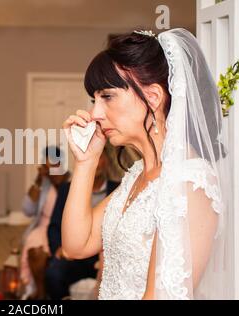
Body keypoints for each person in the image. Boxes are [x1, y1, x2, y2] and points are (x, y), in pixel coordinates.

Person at [62, 29, 233, 299]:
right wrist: (85, 162)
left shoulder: (189, 182)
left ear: (153, 97)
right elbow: (76, 246)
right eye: (94, 100)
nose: (95, 113)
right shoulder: (138, 174)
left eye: (107, 96)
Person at [45, 150, 108, 300]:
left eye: (99, 157)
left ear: (107, 161)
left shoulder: (118, 188)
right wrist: (59, 248)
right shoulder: (67, 189)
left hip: (105, 257)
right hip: (74, 255)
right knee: (53, 274)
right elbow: (54, 225)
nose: (96, 163)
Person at [19, 146, 70, 300]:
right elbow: (27, 210)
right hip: (43, 226)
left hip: (65, 227)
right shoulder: (44, 183)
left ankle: (45, 292)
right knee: (35, 250)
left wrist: (57, 181)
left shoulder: (71, 180)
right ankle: (40, 291)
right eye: (47, 166)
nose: (50, 170)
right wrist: (39, 181)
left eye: (53, 166)